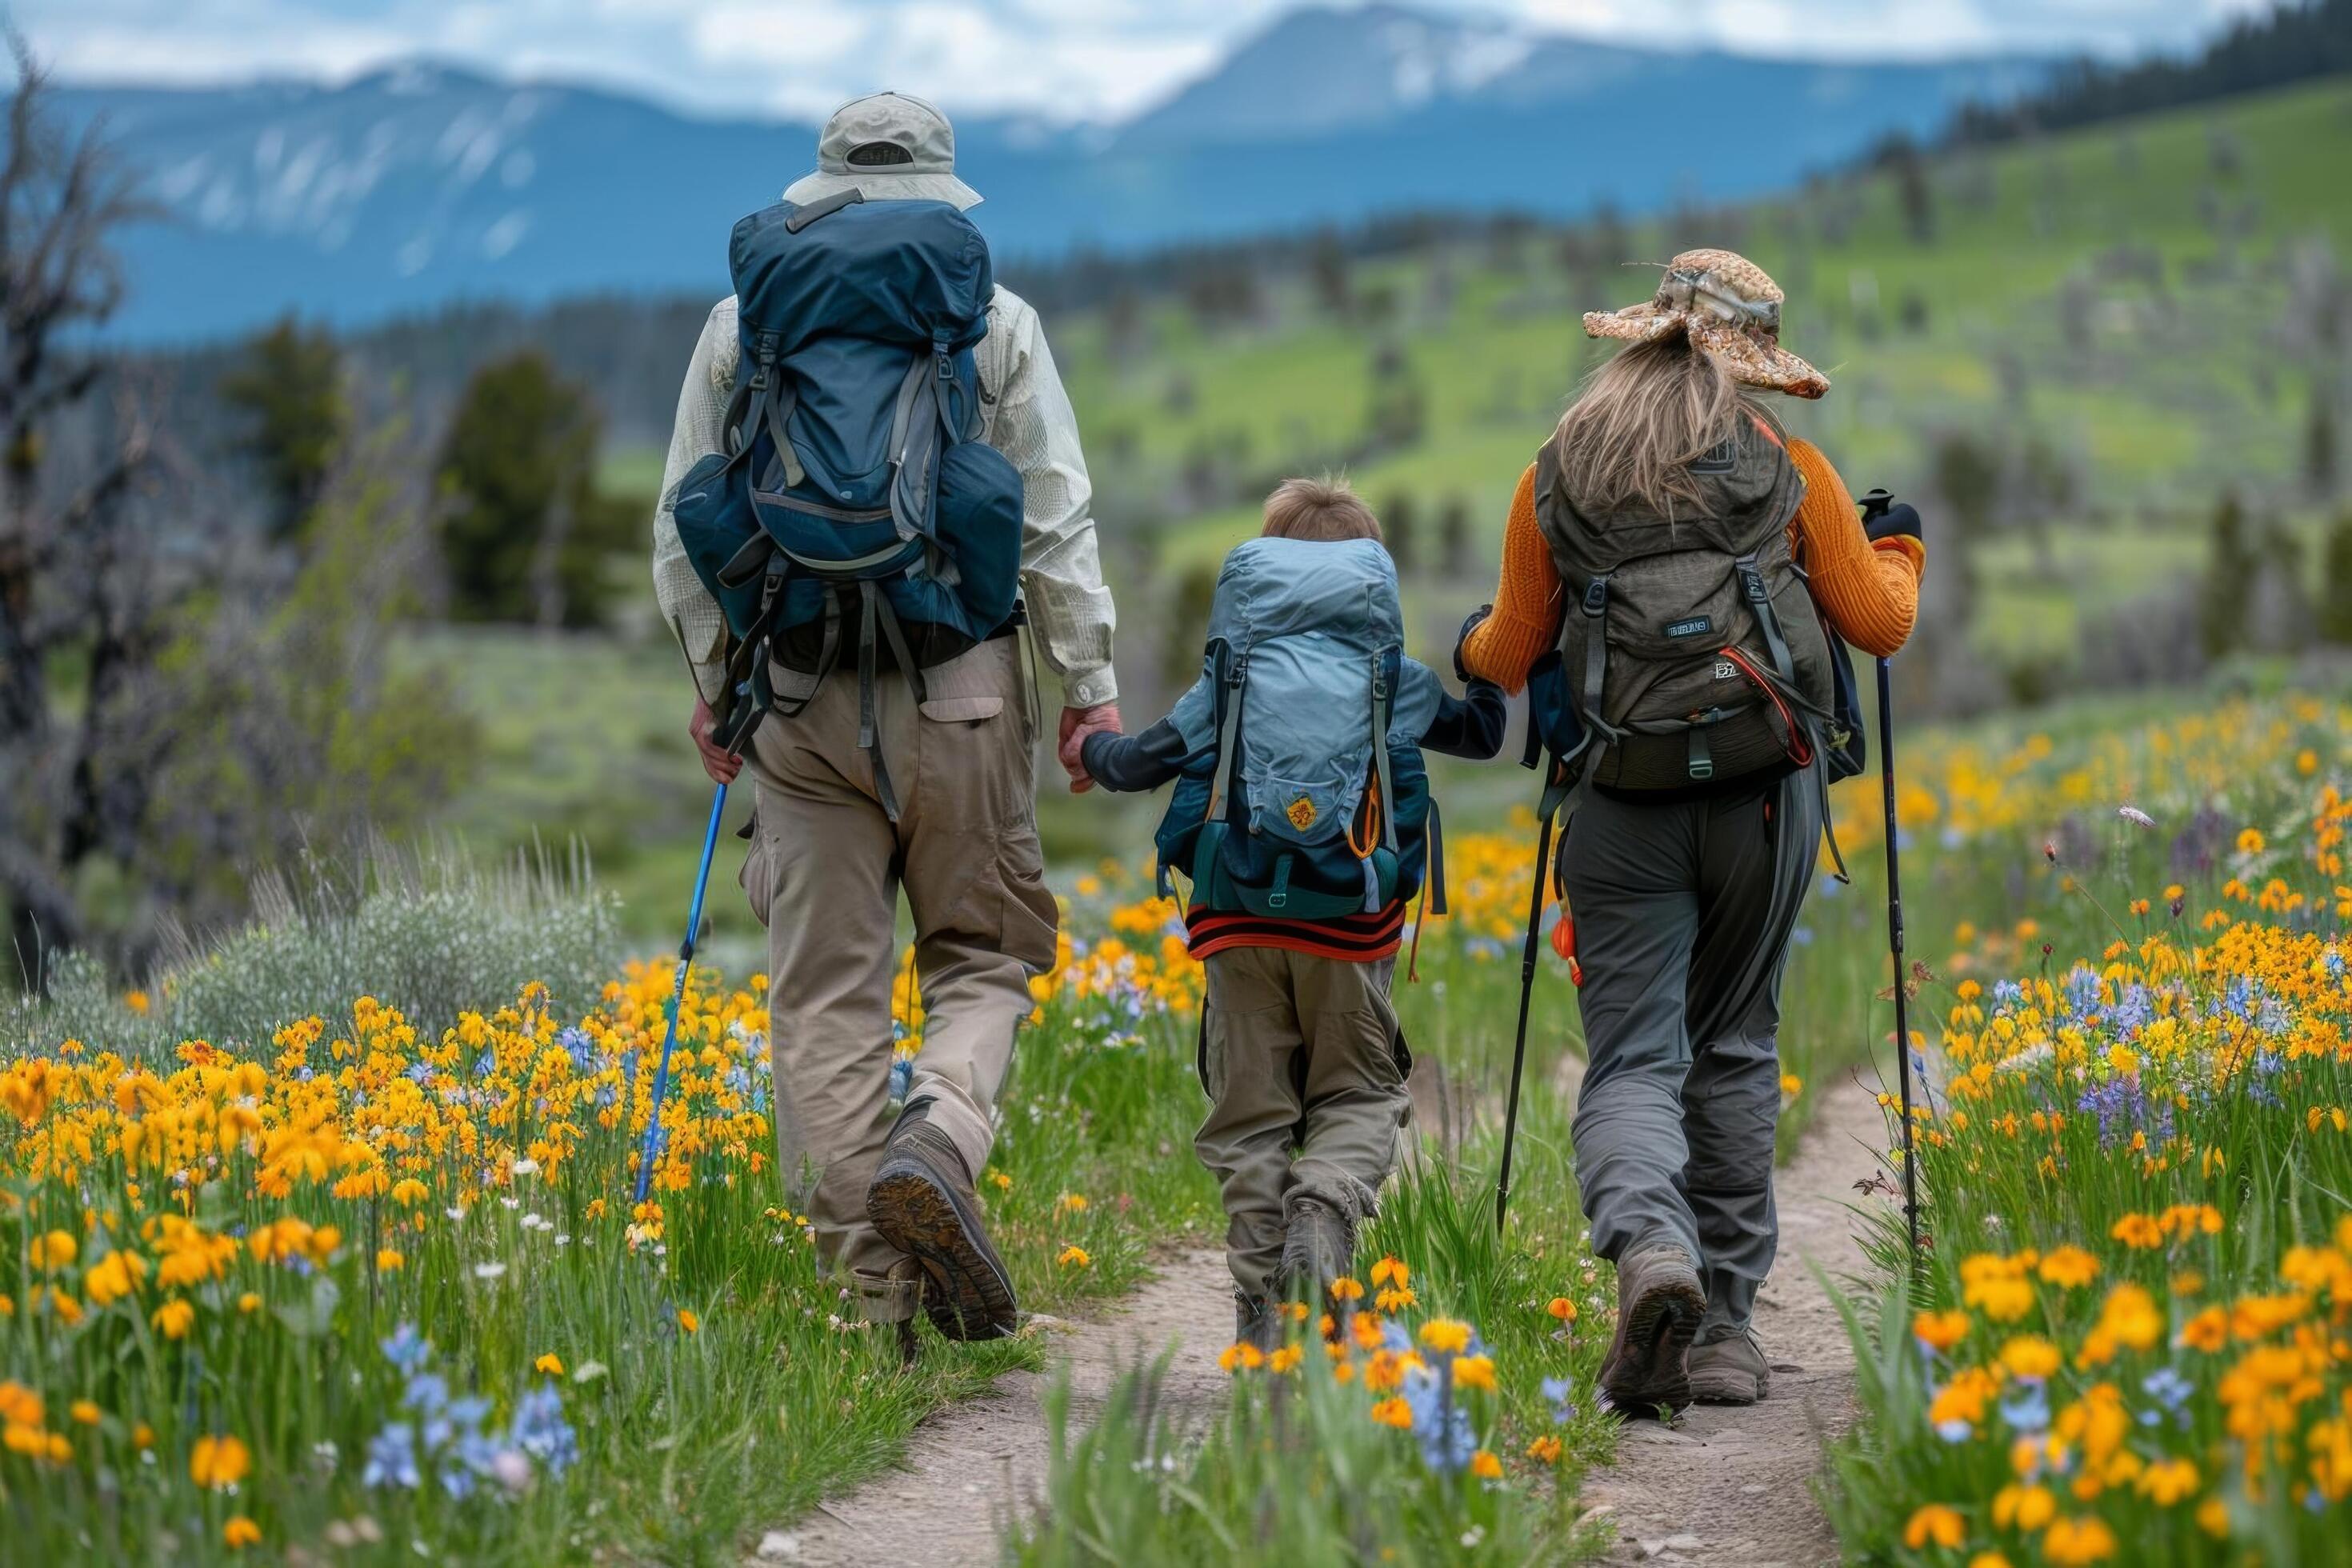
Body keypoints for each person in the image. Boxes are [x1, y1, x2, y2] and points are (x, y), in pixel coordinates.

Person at [650, 92, 1121, 1345]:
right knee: (985, 953)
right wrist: (1089, 691)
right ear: (941, 192)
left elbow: (680, 526)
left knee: (826, 1002)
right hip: (961, 687)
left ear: (818, 188)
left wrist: (715, 686)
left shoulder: (742, 323)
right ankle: (943, 1135)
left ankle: (875, 1309)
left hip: (796, 703)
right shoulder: (993, 320)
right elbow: (1052, 520)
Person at [1458, 250, 1925, 1410]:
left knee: (1633, 1060)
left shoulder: (1554, 482)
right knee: (1733, 1046)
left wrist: (1474, 638)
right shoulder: (1788, 473)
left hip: (1620, 807)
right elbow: (1879, 624)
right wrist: (1901, 548)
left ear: (1638, 343)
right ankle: (1723, 1333)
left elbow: (1509, 658)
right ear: (1748, 369)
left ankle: (1648, 1250)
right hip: (1765, 801)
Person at [1077, 478, 1506, 1346]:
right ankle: (1325, 1205)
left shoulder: (1232, 675)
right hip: (1349, 925)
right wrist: (1484, 658)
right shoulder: (1391, 674)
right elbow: (1484, 734)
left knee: (1250, 1119)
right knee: (1356, 1092)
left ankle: (1262, 1318)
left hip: (1236, 919)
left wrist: (1089, 745)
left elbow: (1136, 764)